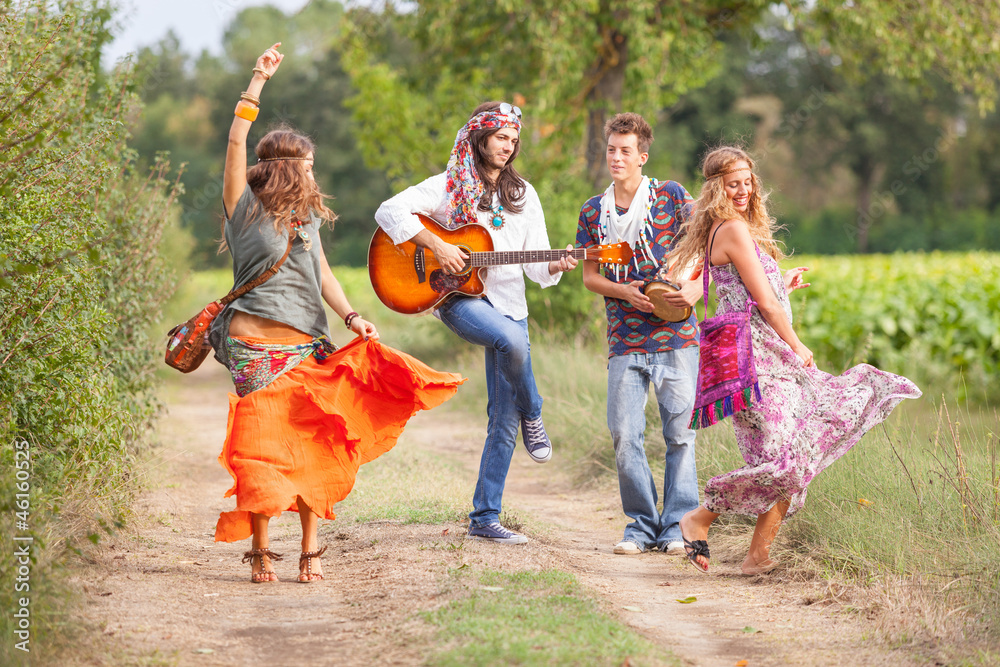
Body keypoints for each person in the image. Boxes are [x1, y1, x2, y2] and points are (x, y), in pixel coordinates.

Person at [208, 43, 463, 583]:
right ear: (286, 168)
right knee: (260, 453)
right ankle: (259, 549)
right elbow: (235, 141)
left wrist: (351, 317)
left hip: (306, 347)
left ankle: (309, 549)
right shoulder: (242, 207)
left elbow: (323, 275)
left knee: (312, 445)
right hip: (253, 350)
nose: (313, 173)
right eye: (308, 165)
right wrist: (257, 80)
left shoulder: (306, 219)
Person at [671, 146, 921, 575]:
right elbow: (764, 305)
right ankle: (701, 514)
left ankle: (757, 555)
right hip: (760, 362)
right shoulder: (730, 228)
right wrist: (798, 344)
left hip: (759, 356)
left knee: (793, 453)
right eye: (733, 184)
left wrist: (782, 282)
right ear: (715, 188)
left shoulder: (728, 229)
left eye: (748, 181)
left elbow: (751, 294)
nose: (744, 190)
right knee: (788, 459)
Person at [375, 101, 578, 545]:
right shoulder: (449, 185)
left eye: (513, 139)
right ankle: (537, 411)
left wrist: (559, 265)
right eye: (500, 137)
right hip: (460, 300)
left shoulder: (524, 195)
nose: (508, 146)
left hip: (509, 301)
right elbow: (389, 212)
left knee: (503, 420)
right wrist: (437, 245)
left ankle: (485, 518)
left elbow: (537, 268)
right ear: (480, 137)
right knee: (509, 340)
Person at [575, 113, 702, 556]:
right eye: (611, 149)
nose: (616, 157)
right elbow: (591, 275)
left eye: (625, 150)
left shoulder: (670, 197)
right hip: (624, 338)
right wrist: (623, 293)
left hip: (677, 336)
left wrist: (692, 283)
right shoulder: (594, 211)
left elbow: (706, 242)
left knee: (680, 434)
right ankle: (641, 525)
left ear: (642, 156)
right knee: (625, 434)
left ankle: (678, 527)